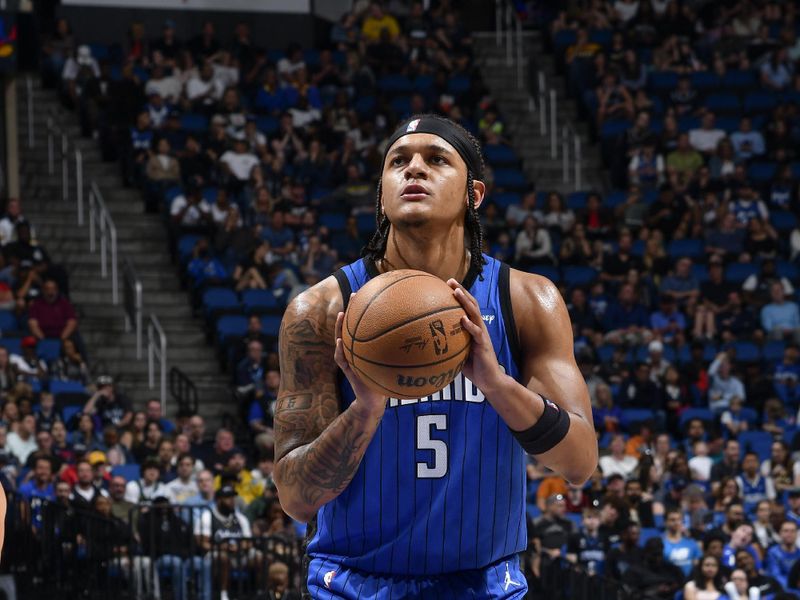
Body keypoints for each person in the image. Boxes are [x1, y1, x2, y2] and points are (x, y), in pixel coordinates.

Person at [273, 114, 597, 597]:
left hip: (484, 584)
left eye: (437, 159)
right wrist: (364, 409)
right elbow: (296, 499)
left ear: (475, 194)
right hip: (350, 583)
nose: (414, 169)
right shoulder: (320, 311)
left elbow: (579, 462)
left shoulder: (527, 300)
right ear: (380, 196)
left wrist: (496, 383)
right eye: (398, 161)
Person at [764, 520, 800, 589]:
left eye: (792, 531)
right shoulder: (773, 553)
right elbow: (776, 575)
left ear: (797, 534)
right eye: (786, 531)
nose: (789, 534)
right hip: (781, 589)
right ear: (780, 533)